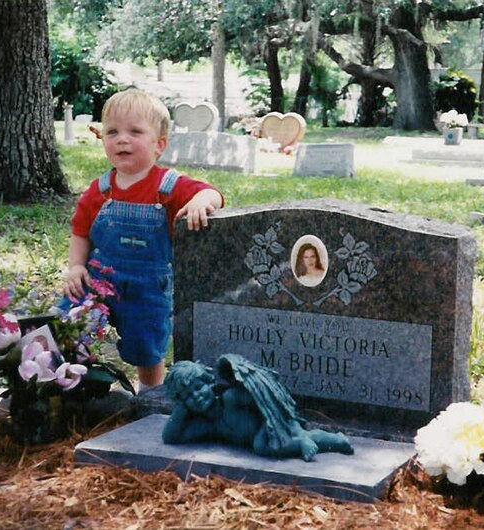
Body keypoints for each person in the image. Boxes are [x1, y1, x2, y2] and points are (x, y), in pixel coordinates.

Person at [63, 88, 224, 388]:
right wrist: (76, 267)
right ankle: (69, 382)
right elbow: (80, 231)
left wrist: (203, 201)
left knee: (146, 347)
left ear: (159, 144)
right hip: (99, 278)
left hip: (148, 285)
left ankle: (149, 396)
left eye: (135, 131)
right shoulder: (99, 190)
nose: (122, 138)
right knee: (69, 325)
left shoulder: (168, 185)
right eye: (112, 132)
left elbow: (211, 192)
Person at [162, 356, 354, 461]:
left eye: (198, 387)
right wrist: (181, 407)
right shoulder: (210, 426)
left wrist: (286, 427)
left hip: (272, 419)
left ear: (210, 383)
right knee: (263, 445)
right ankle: (329, 440)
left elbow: (268, 399)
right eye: (187, 396)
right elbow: (170, 438)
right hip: (264, 437)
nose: (195, 395)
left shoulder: (231, 398)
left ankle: (311, 440)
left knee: (265, 445)